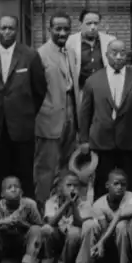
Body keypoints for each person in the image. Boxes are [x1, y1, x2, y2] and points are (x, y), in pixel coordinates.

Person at [0, 15, 47, 207]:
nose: (7, 32)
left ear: (17, 31)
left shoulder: (30, 56)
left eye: (11, 28)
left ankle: (27, 217)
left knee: (24, 174)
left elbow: (39, 90)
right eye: (3, 28)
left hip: (22, 128)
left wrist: (26, 113)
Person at [78, 40, 132, 198]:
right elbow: (85, 113)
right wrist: (84, 140)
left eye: (123, 53)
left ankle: (131, 214)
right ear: (106, 55)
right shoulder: (93, 80)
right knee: (102, 181)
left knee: (131, 181)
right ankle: (101, 215)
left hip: (129, 139)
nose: (119, 57)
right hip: (101, 141)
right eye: (114, 53)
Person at [61, 169, 132, 263]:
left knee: (122, 225)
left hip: (126, 238)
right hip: (106, 238)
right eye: (116, 184)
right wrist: (101, 243)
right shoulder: (99, 204)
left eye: (123, 184)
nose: (120, 187)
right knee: (89, 224)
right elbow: (104, 227)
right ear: (107, 185)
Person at [35, 12, 77, 208]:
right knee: (46, 167)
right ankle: (40, 207)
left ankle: (64, 205)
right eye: (57, 28)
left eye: (66, 29)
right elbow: (35, 90)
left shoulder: (71, 53)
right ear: (49, 30)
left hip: (70, 112)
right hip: (49, 116)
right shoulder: (40, 54)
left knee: (68, 165)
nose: (62, 32)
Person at [39, 172, 85, 263]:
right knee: (47, 229)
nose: (72, 189)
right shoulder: (51, 202)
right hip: (57, 241)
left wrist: (73, 205)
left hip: (73, 244)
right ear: (60, 187)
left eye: (75, 186)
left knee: (75, 232)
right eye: (69, 185)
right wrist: (66, 204)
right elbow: (51, 222)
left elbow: (80, 224)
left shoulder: (82, 203)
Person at [66, 10, 116, 108]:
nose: (93, 27)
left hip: (104, 91)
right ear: (80, 24)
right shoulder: (70, 42)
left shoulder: (110, 41)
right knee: (83, 120)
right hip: (81, 91)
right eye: (88, 23)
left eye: (96, 23)